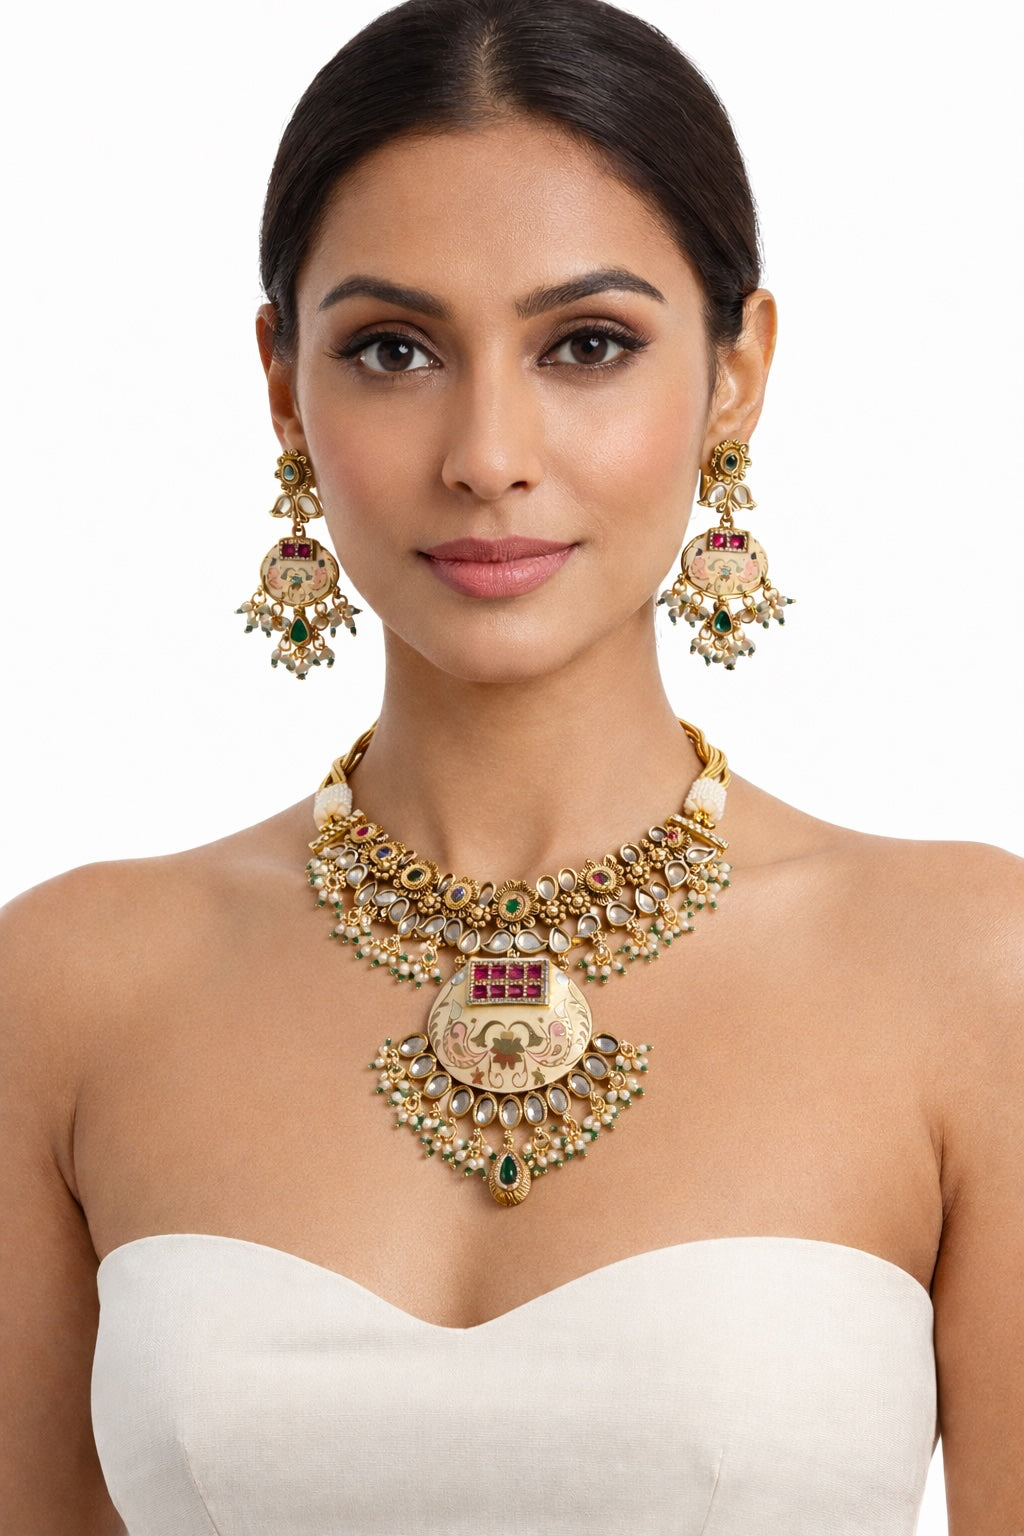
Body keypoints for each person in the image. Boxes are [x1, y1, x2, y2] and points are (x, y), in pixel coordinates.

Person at [2, 0, 1022, 1530]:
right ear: (284, 383)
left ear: (737, 371)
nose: (487, 451)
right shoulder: (69, 988)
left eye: (587, 344)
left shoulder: (970, 974)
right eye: (394, 349)